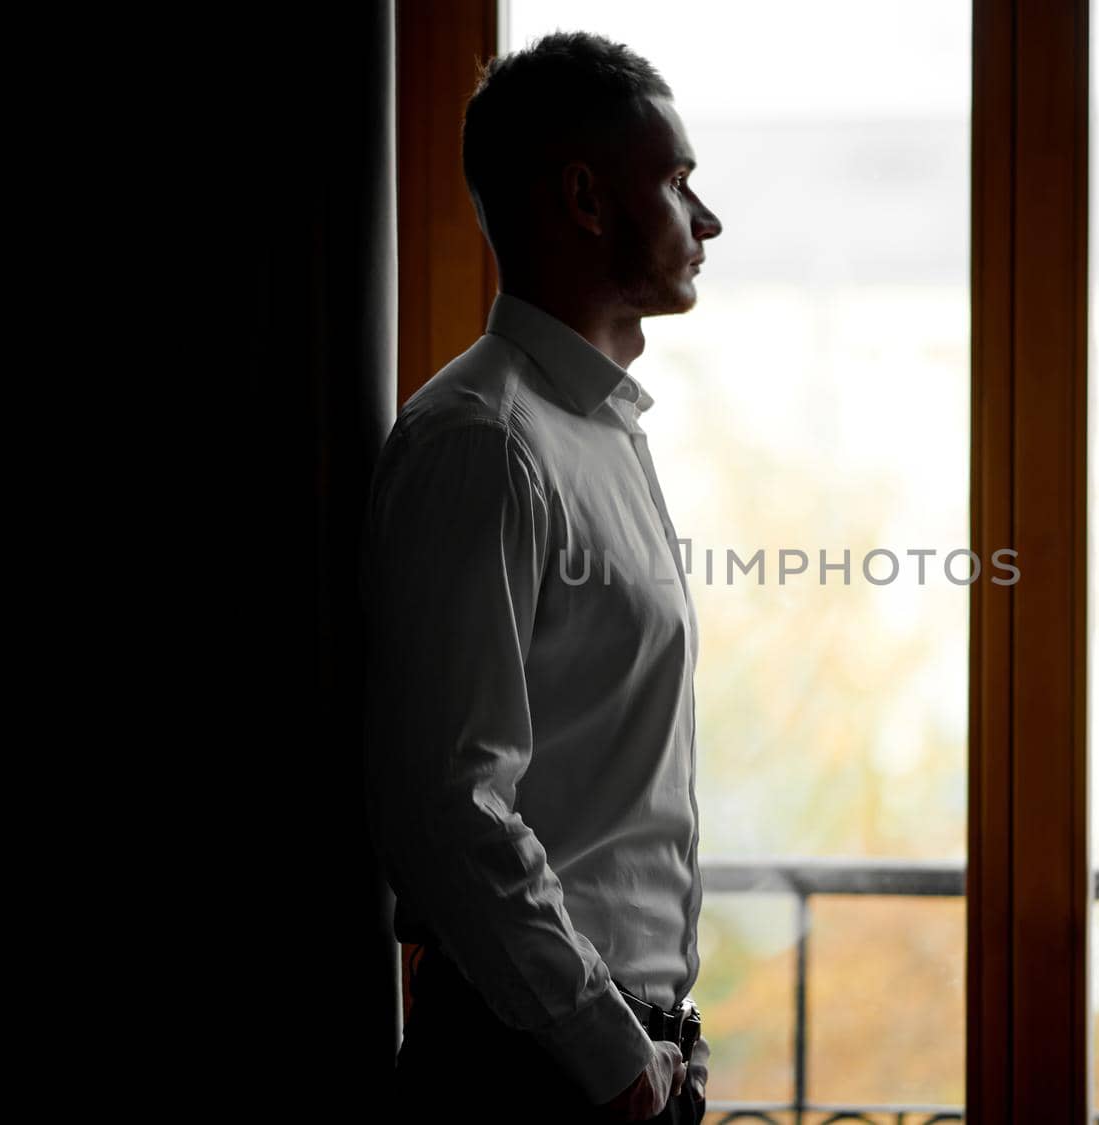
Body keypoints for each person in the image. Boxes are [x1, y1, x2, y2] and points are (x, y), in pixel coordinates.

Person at [361, 29, 722, 1121]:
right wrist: (607, 1055)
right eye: (676, 182)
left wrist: (657, 1050)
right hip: (532, 1073)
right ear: (585, 199)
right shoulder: (482, 442)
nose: (706, 221)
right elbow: (447, 800)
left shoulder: (600, 436)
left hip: (621, 1058)